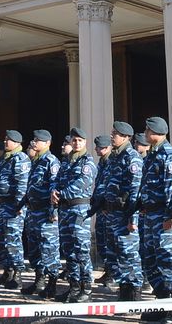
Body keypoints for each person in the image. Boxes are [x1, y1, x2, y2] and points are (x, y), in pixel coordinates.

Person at [136, 117, 172, 323]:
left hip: (164, 216)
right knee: (150, 258)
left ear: (156, 132)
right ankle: (162, 299)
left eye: (148, 129)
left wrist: (171, 215)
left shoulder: (169, 155)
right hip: (150, 215)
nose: (145, 132)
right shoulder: (151, 155)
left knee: (169, 259)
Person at [53, 127, 96, 302]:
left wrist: (61, 194)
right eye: (74, 140)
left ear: (85, 142)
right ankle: (74, 286)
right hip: (65, 210)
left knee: (81, 250)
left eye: (80, 140)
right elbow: (57, 181)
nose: (76, 143)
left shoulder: (88, 163)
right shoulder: (66, 162)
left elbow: (82, 184)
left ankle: (86, 289)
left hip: (79, 211)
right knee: (69, 251)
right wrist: (54, 191)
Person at [105, 121, 144, 302]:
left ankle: (134, 293)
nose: (112, 136)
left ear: (126, 137)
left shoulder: (131, 157)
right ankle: (124, 289)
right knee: (118, 252)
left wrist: (133, 218)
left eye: (116, 134)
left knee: (129, 253)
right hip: (114, 214)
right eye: (113, 133)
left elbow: (135, 192)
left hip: (126, 214)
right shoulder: (114, 157)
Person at [22, 129, 62, 298]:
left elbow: (54, 188)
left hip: (46, 214)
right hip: (34, 212)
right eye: (34, 139)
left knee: (49, 249)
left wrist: (53, 212)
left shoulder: (50, 161)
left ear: (47, 143)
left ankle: (52, 285)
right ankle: (39, 281)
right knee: (35, 250)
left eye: (38, 140)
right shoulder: (36, 161)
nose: (34, 143)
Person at [0, 129, 31, 288]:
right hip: (2, 205)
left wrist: (18, 206)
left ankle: (17, 273)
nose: (5, 141)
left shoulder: (20, 159)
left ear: (17, 143)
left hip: (13, 206)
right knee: (0, 239)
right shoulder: (4, 159)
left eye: (8, 139)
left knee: (13, 240)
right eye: (5, 138)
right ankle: (7, 271)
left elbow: (22, 184)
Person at [91, 134, 114, 284]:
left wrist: (105, 204)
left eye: (99, 147)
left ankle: (112, 273)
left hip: (108, 208)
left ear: (106, 148)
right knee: (102, 240)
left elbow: (109, 185)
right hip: (100, 207)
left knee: (110, 240)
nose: (96, 149)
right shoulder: (102, 162)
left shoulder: (111, 162)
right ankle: (108, 270)